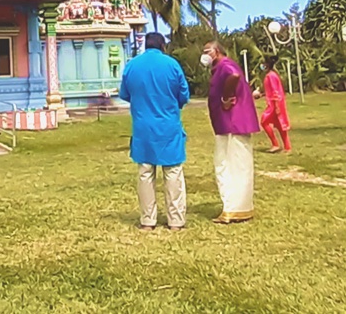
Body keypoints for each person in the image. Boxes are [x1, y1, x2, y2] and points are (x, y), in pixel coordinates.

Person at [119, 32, 191, 231]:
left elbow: (125, 94)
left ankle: (147, 220)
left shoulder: (132, 66)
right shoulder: (172, 65)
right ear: (163, 46)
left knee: (145, 173)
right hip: (168, 126)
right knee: (173, 172)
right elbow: (183, 95)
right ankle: (175, 220)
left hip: (143, 127)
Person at [202, 41, 261, 224]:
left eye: (207, 51)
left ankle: (233, 209)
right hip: (230, 124)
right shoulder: (221, 66)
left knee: (228, 164)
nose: (204, 55)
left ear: (216, 51)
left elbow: (233, 76)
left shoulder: (226, 65)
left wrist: (226, 98)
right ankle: (241, 207)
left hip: (231, 124)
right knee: (239, 164)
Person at [258, 56, 292, 153]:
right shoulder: (272, 75)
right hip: (275, 102)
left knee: (264, 122)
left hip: (274, 104)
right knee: (279, 124)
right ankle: (287, 147)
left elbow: (275, 91)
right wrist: (261, 95)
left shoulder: (270, 76)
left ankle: (275, 144)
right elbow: (270, 91)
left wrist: (276, 106)